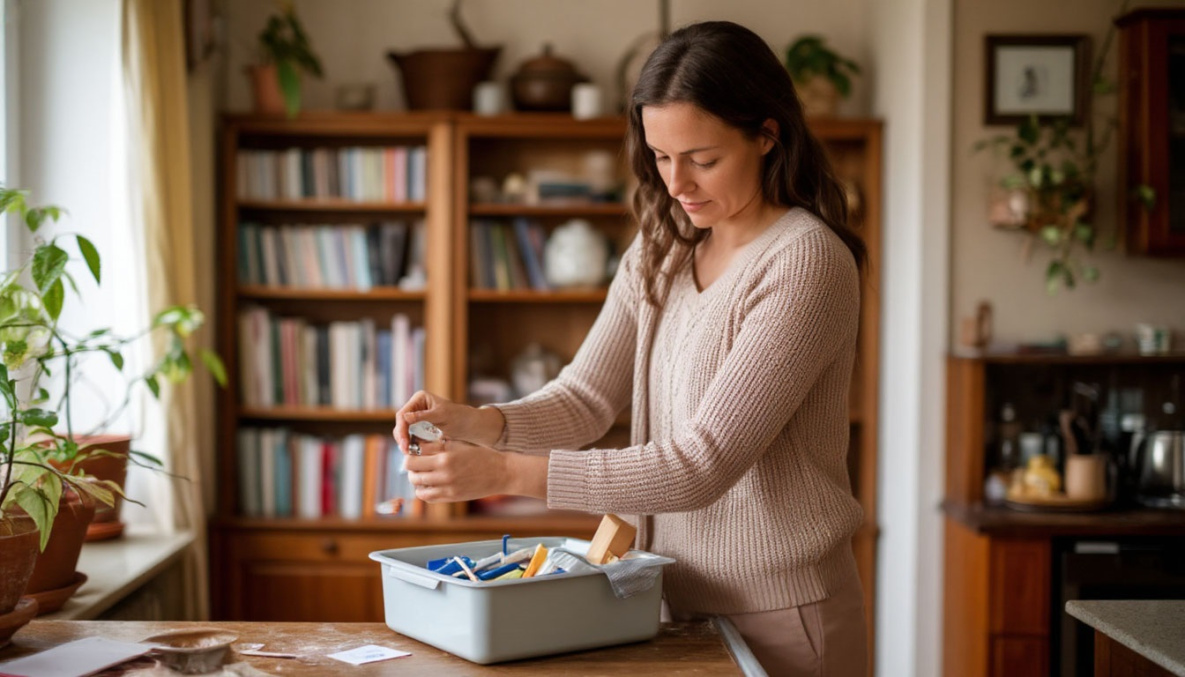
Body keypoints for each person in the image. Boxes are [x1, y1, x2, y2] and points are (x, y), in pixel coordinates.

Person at [393, 20, 868, 676]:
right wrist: (480, 423)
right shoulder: (662, 246)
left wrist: (506, 475)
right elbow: (584, 399)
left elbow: (701, 463)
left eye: (702, 159)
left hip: (785, 616)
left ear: (767, 134)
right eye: (660, 157)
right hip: (663, 601)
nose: (677, 183)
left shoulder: (805, 261)